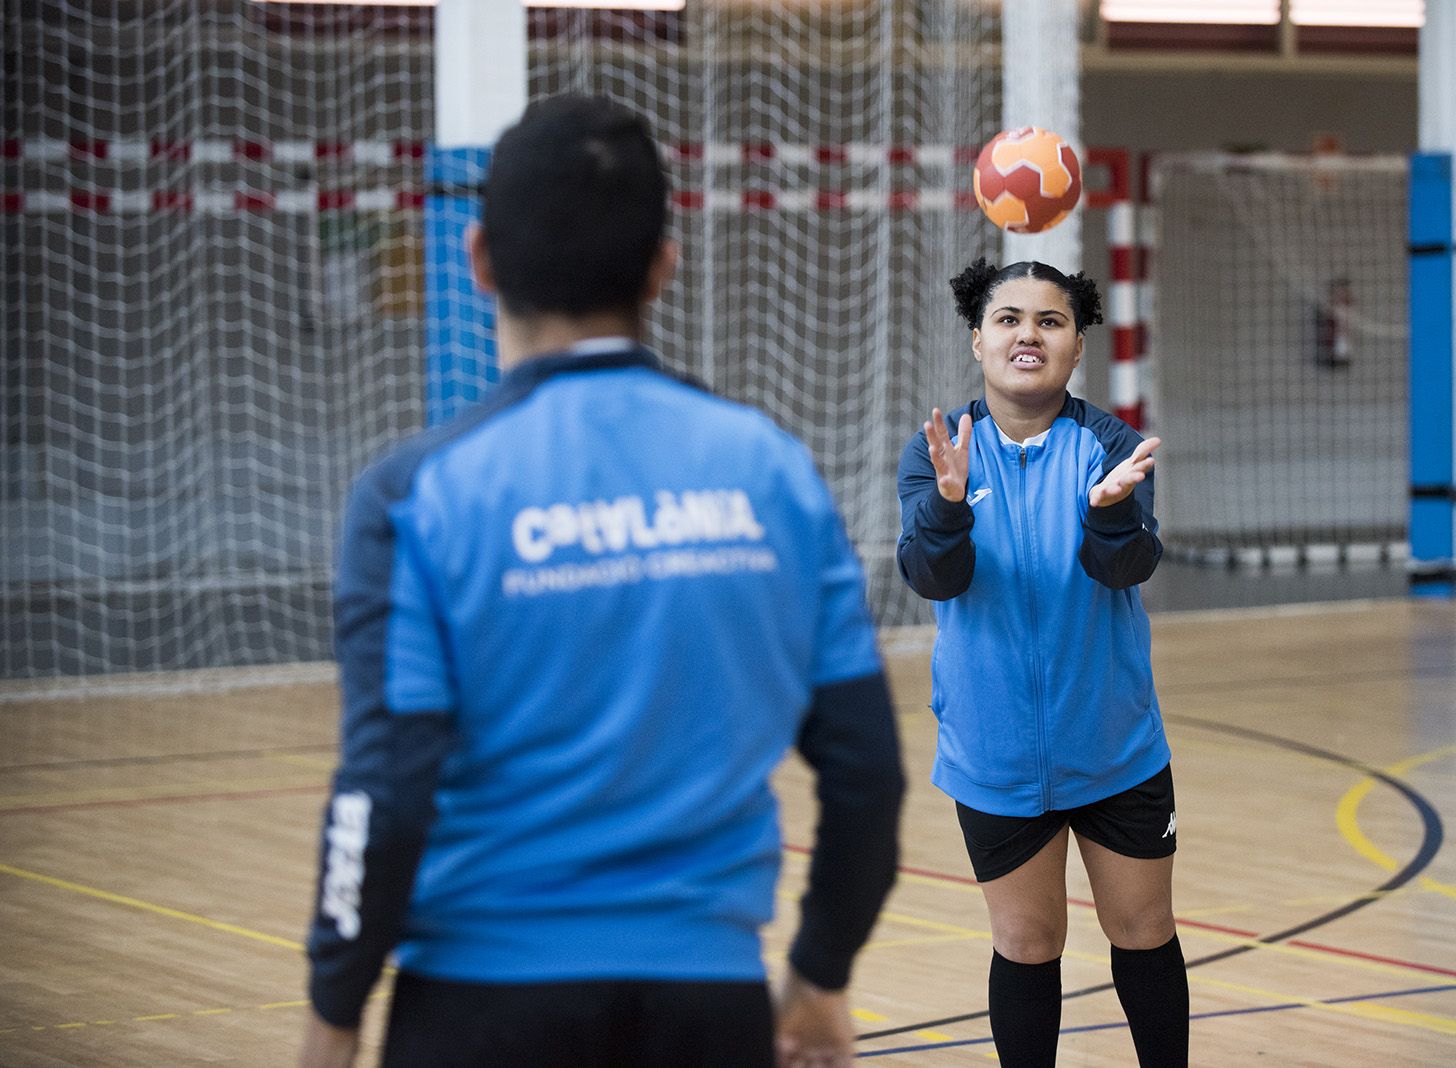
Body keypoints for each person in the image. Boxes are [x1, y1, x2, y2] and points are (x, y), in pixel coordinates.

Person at [299, 94, 905, 1068]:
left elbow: (385, 793)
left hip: (479, 1010)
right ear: (664, 267)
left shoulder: (415, 497)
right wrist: (820, 975)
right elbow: (867, 771)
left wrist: (334, 1011)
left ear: (479, 260)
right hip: (706, 1010)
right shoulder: (772, 472)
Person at [896, 257, 1186, 1067]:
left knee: (1144, 931)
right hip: (994, 754)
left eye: (1050, 321)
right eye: (1010, 319)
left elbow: (1126, 570)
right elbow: (931, 577)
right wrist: (948, 508)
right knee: (1026, 942)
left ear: (1077, 344)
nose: (1029, 334)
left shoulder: (1110, 445)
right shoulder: (938, 452)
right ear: (978, 339)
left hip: (1115, 748)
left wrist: (1111, 510)